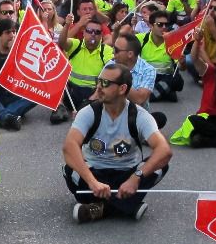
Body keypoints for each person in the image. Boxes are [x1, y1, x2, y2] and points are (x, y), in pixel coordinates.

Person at [62, 64, 172, 223]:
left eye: (105, 83)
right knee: (70, 168)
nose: (99, 87)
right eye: (98, 81)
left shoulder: (140, 116)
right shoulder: (89, 112)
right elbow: (69, 146)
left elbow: (164, 151)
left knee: (161, 165)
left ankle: (99, 208)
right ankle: (128, 206)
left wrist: (135, 178)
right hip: (94, 173)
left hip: (126, 175)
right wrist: (93, 182)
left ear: (122, 89)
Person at [52, 13, 114, 123]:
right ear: (84, 32)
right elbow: (62, 43)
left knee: (107, 85)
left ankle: (84, 112)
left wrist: (92, 98)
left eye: (97, 32)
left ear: (101, 35)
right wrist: (66, 25)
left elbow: (110, 75)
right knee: (57, 77)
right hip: (72, 93)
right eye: (90, 31)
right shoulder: (76, 45)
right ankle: (60, 107)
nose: (93, 34)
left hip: (92, 94)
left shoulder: (107, 50)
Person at [0, 19, 36, 131]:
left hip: (15, 94)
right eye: (8, 32)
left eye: (14, 32)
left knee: (36, 94)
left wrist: (13, 52)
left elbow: (25, 76)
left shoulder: (23, 51)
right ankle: (8, 116)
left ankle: (2, 115)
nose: (12, 35)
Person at [106, 32, 167, 129]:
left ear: (130, 54)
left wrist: (118, 79)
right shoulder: (110, 64)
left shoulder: (148, 70)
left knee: (160, 118)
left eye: (116, 50)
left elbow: (139, 99)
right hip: (111, 113)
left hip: (135, 115)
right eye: (113, 48)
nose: (113, 52)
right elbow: (101, 91)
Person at [139, 9, 183, 102]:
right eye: (160, 24)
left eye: (166, 24)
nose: (164, 27)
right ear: (151, 25)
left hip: (164, 77)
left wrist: (182, 62)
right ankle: (163, 93)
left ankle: (148, 95)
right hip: (146, 77)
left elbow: (182, 67)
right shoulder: (141, 39)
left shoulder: (173, 43)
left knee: (175, 80)